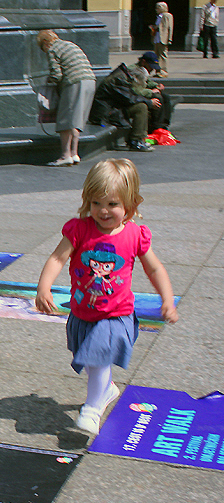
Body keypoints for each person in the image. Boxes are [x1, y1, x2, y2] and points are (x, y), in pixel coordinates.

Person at [35, 158, 178, 435]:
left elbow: (154, 268)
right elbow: (57, 258)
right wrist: (44, 287)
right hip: (83, 313)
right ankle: (108, 389)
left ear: (130, 204)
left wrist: (167, 300)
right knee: (89, 360)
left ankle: (92, 409)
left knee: (98, 358)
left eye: (112, 204)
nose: (103, 210)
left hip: (116, 315)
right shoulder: (79, 230)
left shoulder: (135, 235)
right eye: (96, 203)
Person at [36, 30, 96, 167]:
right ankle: (74, 154)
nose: (44, 51)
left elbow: (57, 74)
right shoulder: (69, 44)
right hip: (90, 81)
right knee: (76, 120)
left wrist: (48, 81)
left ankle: (65, 155)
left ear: (45, 42)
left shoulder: (52, 49)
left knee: (65, 120)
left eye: (42, 47)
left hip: (74, 82)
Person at [89, 63, 159, 152]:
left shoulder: (123, 77)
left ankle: (141, 138)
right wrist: (149, 102)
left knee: (141, 105)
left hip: (113, 108)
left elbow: (129, 96)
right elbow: (129, 98)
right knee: (141, 107)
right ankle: (136, 141)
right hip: (105, 113)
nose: (144, 84)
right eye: (143, 82)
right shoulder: (118, 79)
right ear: (136, 78)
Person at [129, 51, 173, 132]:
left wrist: (156, 86)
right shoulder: (134, 70)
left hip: (143, 90)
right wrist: (151, 91)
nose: (152, 69)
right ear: (143, 62)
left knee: (165, 97)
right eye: (151, 66)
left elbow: (147, 81)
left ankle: (164, 124)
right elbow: (137, 90)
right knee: (158, 97)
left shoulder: (144, 69)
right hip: (135, 94)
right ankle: (156, 126)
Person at [150, 2, 173, 77]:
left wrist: (169, 39)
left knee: (163, 55)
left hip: (163, 38)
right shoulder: (159, 17)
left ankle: (163, 71)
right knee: (156, 55)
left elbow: (170, 28)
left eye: (158, 8)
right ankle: (158, 71)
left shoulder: (167, 15)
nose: (156, 9)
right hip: (157, 37)